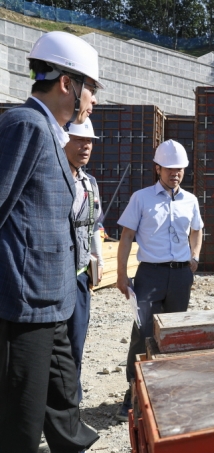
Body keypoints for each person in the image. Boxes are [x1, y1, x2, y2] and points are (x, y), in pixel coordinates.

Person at [0, 31, 102, 452]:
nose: (92, 101)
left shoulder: (48, 131)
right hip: (25, 309)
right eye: (90, 89)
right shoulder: (26, 126)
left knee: (65, 407)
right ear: (66, 84)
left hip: (56, 304)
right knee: (20, 423)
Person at [115, 139, 203, 421]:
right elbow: (127, 236)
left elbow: (197, 230)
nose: (174, 173)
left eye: (179, 169)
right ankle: (132, 396)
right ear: (157, 168)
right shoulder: (141, 198)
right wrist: (120, 274)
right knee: (142, 334)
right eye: (169, 168)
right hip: (149, 275)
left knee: (173, 334)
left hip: (179, 275)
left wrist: (195, 256)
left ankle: (165, 392)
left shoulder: (190, 200)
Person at [64, 118, 104, 403]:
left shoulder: (89, 184)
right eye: (79, 140)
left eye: (88, 141)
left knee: (75, 345)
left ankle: (70, 408)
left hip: (78, 276)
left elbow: (92, 227)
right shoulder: (50, 176)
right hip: (49, 278)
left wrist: (98, 261)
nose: (85, 146)